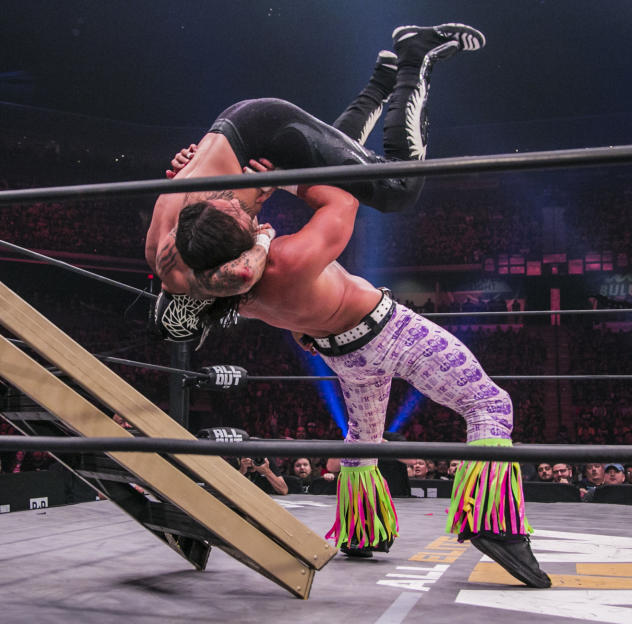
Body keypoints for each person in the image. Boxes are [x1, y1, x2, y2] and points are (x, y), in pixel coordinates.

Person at [170, 26, 550, 589]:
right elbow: (341, 185)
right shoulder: (292, 258)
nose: (242, 209)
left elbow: (198, 239)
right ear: (244, 242)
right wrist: (276, 180)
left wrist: (198, 180)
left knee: (363, 440)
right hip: (387, 331)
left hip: (343, 355)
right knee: (488, 403)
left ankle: (362, 527)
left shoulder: (213, 283)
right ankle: (494, 520)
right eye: (239, 214)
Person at [147, 23, 485, 344]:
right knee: (338, 172)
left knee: (398, 189)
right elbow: (186, 184)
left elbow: (244, 276)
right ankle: (382, 81)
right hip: (235, 128)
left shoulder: (206, 280)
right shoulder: (156, 250)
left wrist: (275, 207)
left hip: (266, 135)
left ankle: (415, 54)